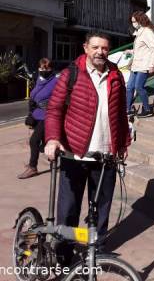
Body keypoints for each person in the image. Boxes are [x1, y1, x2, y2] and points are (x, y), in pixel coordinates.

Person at [44, 31, 130, 246]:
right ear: (86, 48)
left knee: (101, 209)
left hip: (105, 156)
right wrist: (53, 138)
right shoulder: (71, 74)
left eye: (104, 48)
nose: (100, 52)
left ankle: (96, 250)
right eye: (96, 47)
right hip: (74, 152)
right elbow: (54, 109)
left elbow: (120, 113)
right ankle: (64, 255)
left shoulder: (115, 75)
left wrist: (122, 143)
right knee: (68, 209)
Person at [18, 58, 58, 179]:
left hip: (48, 116)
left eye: (46, 68)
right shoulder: (39, 80)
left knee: (34, 141)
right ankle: (54, 163)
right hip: (37, 115)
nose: (43, 70)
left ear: (51, 69)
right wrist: (31, 114)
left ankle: (33, 167)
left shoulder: (56, 80)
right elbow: (34, 97)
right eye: (41, 68)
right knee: (45, 142)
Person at [126, 11, 154, 118]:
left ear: (140, 20)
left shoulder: (147, 32)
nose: (133, 24)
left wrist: (152, 65)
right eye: (132, 22)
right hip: (135, 65)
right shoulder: (139, 32)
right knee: (129, 87)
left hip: (144, 65)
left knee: (139, 87)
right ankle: (128, 109)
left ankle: (147, 109)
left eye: (134, 21)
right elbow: (140, 49)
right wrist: (130, 51)